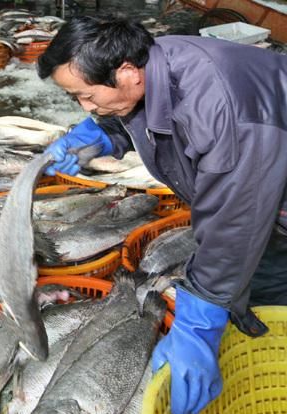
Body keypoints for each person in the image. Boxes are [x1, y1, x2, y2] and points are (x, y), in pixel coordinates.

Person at [38, 16, 287, 414]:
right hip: (264, 196)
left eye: (85, 95)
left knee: (260, 290)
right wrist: (105, 132)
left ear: (126, 72)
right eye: (75, 99)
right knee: (258, 288)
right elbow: (153, 115)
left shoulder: (220, 109)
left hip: (268, 195)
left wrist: (198, 322)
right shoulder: (154, 66)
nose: (85, 107)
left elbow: (235, 225)